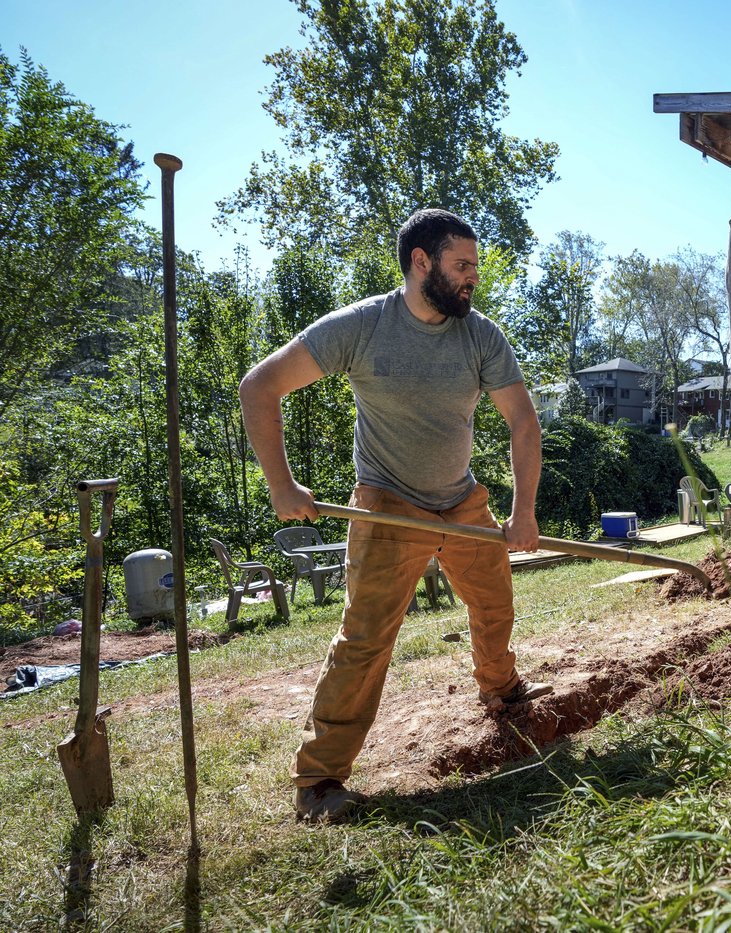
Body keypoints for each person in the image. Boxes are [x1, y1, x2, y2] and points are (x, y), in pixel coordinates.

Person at [239, 208, 550, 822]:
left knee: (494, 604)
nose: (472, 280)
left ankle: (502, 692)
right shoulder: (363, 326)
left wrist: (524, 512)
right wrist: (281, 483)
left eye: (475, 268)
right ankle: (320, 780)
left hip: (460, 501)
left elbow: (523, 423)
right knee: (365, 639)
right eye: (462, 266)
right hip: (386, 504)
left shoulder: (480, 335)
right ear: (421, 262)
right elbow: (259, 386)